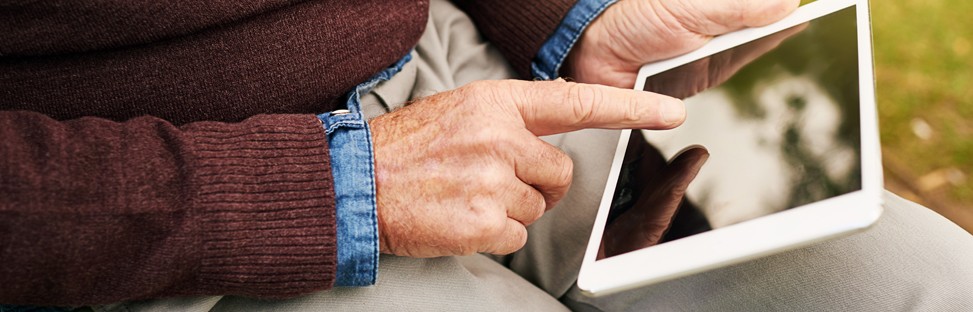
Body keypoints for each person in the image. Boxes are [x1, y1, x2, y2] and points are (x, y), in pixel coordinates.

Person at [1, 0, 971, 311]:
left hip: (447, 66)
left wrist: (573, 23)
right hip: (164, 206)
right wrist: (334, 188)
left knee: (932, 282)